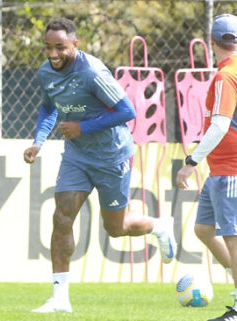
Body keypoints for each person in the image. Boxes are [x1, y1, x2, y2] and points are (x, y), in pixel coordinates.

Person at [24, 18, 176, 313]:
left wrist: (83, 127)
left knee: (116, 229)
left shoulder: (92, 72)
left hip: (112, 156)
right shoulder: (46, 73)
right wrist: (38, 141)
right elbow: (48, 106)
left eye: (60, 47)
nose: (52, 54)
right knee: (62, 218)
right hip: (77, 157)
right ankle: (60, 299)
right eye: (47, 47)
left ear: (75, 45)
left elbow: (127, 111)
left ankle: (159, 226)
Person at [176, 14, 237, 321]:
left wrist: (191, 162)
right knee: (203, 229)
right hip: (228, 167)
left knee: (235, 237)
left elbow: (219, 125)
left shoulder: (227, 76)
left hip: (233, 167)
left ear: (210, 43)